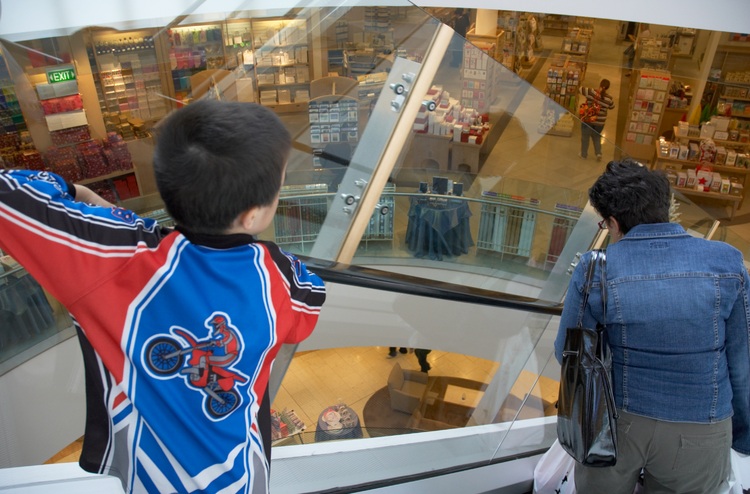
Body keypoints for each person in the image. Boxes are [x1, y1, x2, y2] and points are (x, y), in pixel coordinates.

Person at [0, 100, 326, 493]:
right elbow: (310, 301)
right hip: (241, 473)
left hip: (145, 475)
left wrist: (79, 192)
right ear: (254, 215)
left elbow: (10, 195)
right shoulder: (278, 277)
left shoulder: (112, 257)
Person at [554, 160, 750, 493]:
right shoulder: (726, 261)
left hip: (615, 424)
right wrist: (743, 431)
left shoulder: (595, 270)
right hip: (702, 425)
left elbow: (566, 353)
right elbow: (741, 360)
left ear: (613, 222)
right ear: (665, 206)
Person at [578, 79, 615, 161]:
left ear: (600, 85)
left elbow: (579, 89)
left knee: (585, 137)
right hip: (600, 122)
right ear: (608, 88)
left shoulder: (591, 92)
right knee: (596, 137)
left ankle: (584, 155)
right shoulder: (609, 98)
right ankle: (598, 153)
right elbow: (612, 107)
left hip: (588, 119)